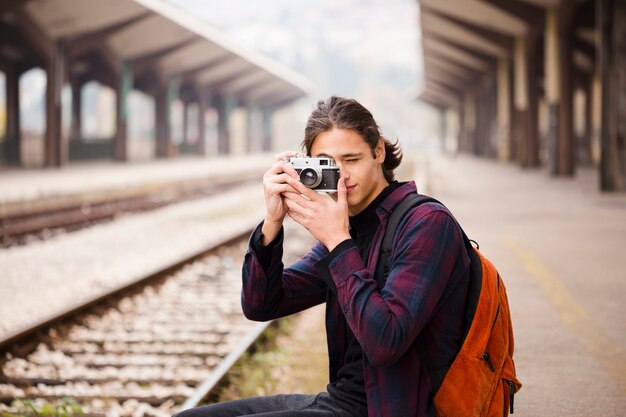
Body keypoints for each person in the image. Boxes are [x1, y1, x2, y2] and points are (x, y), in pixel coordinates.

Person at [175, 96, 470, 417]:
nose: (341, 175)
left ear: (379, 152)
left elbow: (385, 342)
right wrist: (273, 222)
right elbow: (261, 305)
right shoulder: (352, 227)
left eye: (352, 159)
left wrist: (338, 241)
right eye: (327, 163)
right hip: (342, 401)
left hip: (393, 408)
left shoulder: (425, 223)